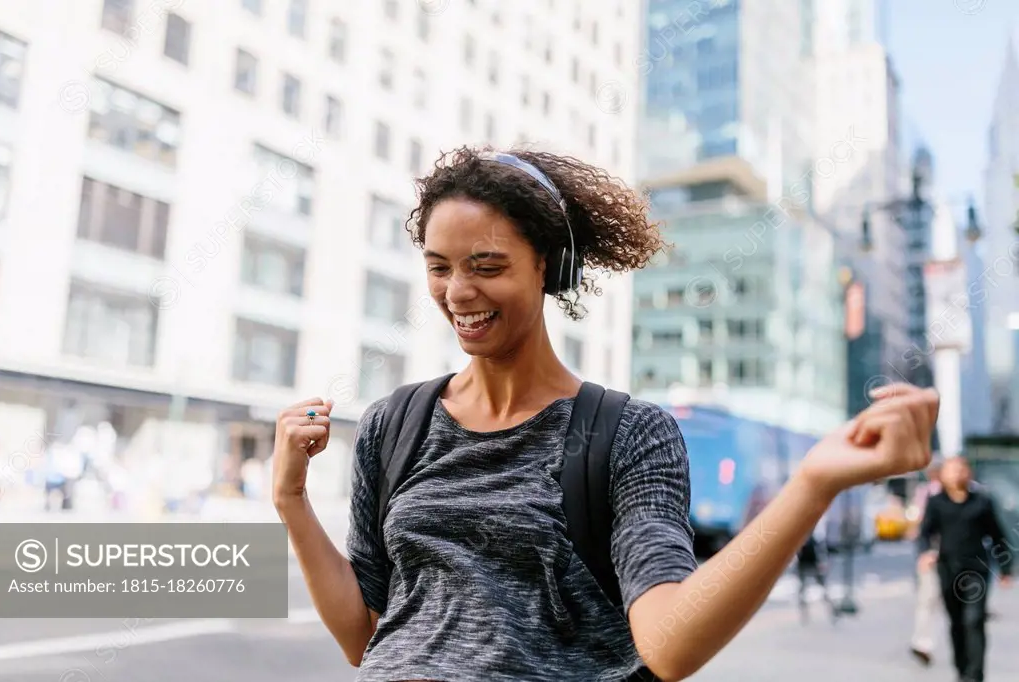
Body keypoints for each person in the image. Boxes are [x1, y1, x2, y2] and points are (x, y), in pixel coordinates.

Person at [271, 146, 941, 681]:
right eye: (439, 266)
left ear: (551, 268)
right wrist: (292, 500)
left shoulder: (628, 435)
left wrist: (812, 484)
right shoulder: (396, 423)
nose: (458, 291)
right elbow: (365, 636)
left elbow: (670, 646)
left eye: (487, 265)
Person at [917, 456, 1013, 682]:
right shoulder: (937, 502)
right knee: (957, 622)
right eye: (951, 470)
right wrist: (926, 553)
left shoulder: (981, 502)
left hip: (976, 571)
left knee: (974, 620)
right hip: (947, 569)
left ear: (968, 473)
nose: (957, 474)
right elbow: (925, 533)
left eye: (961, 469)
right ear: (942, 475)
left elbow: (997, 536)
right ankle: (961, 670)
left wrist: (1006, 569)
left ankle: (975, 675)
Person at [908, 457, 944, 665]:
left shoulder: (958, 491)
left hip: (953, 552)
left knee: (933, 599)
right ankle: (923, 642)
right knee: (929, 597)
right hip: (932, 551)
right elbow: (920, 525)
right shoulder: (927, 492)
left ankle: (925, 641)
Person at [795, 521, 836, 624]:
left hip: (811, 566)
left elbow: (821, 552)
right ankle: (805, 616)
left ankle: (830, 612)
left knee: (819, 591)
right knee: (804, 592)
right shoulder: (806, 539)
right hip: (806, 567)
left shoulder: (812, 539)